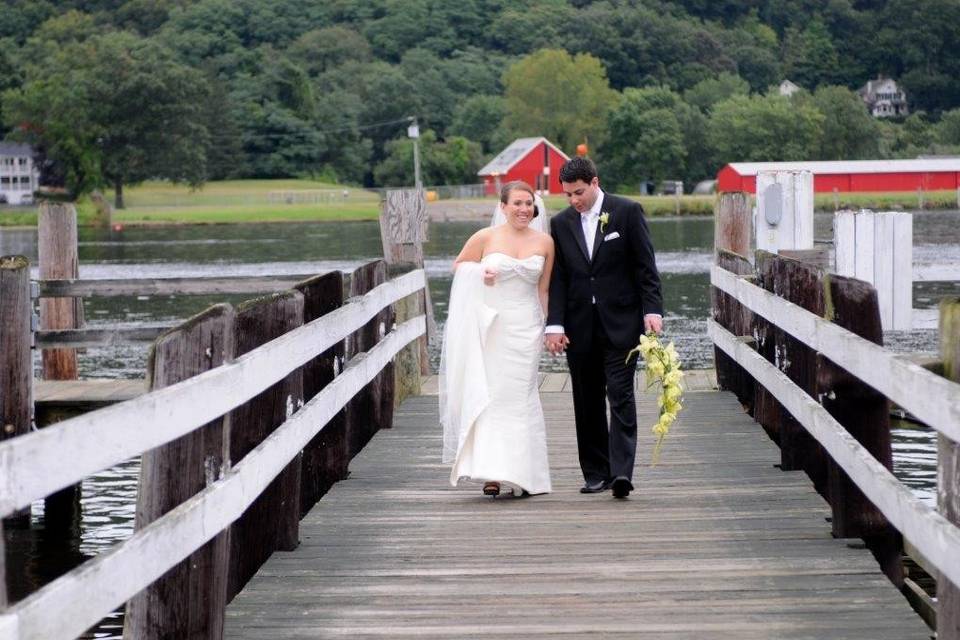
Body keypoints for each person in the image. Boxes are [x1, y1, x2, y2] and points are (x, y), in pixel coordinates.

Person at [545, 157, 663, 499]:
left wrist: (652, 310)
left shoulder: (627, 211)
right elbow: (560, 278)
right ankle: (596, 473)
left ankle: (622, 473)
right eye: (567, 195)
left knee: (621, 394)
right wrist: (554, 324)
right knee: (587, 399)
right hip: (579, 325)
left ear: (594, 182)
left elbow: (646, 268)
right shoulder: (561, 223)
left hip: (622, 324)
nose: (573, 201)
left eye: (578, 192)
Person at [440, 181, 554, 497]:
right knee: (492, 396)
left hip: (527, 326)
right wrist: (480, 274)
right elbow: (460, 265)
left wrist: (550, 327)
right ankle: (491, 470)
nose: (523, 209)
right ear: (503, 206)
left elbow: (543, 289)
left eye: (528, 203)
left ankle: (522, 473)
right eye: (517, 203)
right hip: (493, 326)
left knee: (520, 397)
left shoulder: (545, 242)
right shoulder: (486, 237)